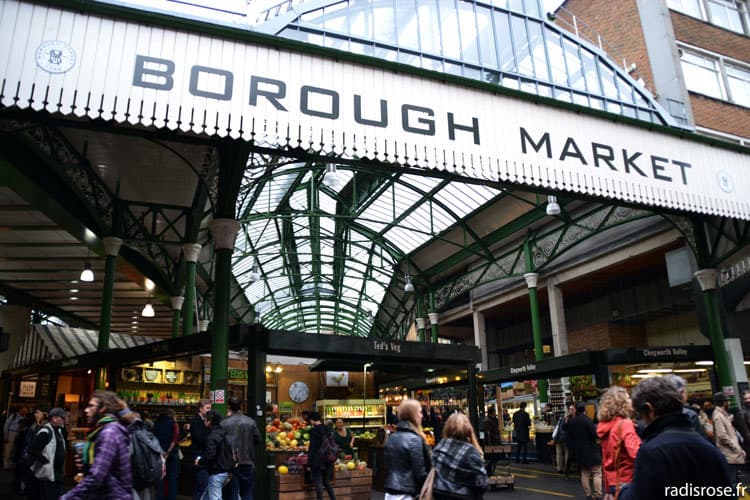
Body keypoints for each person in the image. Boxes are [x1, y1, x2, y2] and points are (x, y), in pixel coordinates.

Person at [619, 377, 732, 500]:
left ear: (650, 410)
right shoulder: (711, 451)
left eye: (641, 415)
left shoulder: (651, 451)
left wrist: (623, 491)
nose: (643, 422)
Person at [61, 390, 133, 500]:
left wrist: (67, 497)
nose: (86, 410)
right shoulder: (103, 430)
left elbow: (96, 476)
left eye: (91, 406)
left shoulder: (109, 432)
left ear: (103, 408)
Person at [596, 387, 641, 500]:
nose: (631, 400)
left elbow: (606, 460)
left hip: (613, 483)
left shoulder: (605, 426)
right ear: (622, 403)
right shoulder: (625, 424)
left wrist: (607, 490)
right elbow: (636, 454)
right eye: (628, 398)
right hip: (628, 480)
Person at [431, 412, 488, 499]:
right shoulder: (470, 451)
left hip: (441, 495)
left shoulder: (439, 447)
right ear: (468, 428)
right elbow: (481, 483)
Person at [384, 398, 432, 500]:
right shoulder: (414, 439)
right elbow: (420, 473)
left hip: (390, 491)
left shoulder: (391, 437)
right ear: (413, 414)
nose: (422, 415)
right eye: (419, 412)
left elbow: (387, 466)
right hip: (407, 494)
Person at [222, 396, 262, 500]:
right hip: (247, 460)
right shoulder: (250, 421)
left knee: (233, 492)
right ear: (241, 406)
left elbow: (221, 442)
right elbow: (258, 439)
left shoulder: (224, 423)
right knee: (247, 492)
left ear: (229, 407)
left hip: (231, 462)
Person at [26, 407, 66, 500]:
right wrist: (45, 461)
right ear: (54, 418)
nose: (64, 419)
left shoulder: (59, 430)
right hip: (47, 475)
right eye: (62, 417)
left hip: (56, 474)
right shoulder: (45, 431)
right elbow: (32, 449)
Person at [565, 403, 602, 500]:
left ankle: (588, 495)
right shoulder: (587, 420)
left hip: (580, 452)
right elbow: (595, 434)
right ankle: (598, 495)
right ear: (584, 409)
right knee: (597, 473)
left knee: (585, 474)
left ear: (576, 410)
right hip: (592, 450)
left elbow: (569, 437)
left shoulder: (572, 422)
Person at [196, 410, 233, 500]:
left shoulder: (211, 436)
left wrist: (199, 461)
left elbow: (210, 455)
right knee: (206, 497)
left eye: (205, 420)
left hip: (217, 472)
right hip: (226, 470)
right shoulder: (224, 433)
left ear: (209, 422)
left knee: (215, 497)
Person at [712, 391, 745, 488]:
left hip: (732, 453)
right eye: (727, 401)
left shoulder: (724, 414)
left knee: (735, 481)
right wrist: (736, 448)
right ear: (723, 402)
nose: (729, 403)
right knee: (732, 483)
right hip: (728, 454)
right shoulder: (718, 416)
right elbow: (722, 436)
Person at [186, 399, 212, 500]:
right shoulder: (196, 421)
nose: (209, 410)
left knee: (203, 486)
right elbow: (200, 438)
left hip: (202, 456)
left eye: (210, 408)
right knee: (201, 486)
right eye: (207, 408)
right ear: (200, 409)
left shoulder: (203, 420)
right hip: (199, 456)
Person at [153, 409, 181, 500]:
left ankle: (160, 497)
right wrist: (168, 451)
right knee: (172, 478)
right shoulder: (174, 424)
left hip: (159, 453)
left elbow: (153, 439)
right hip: (170, 454)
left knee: (160, 478)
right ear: (172, 415)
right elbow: (175, 438)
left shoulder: (156, 423)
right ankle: (171, 497)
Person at [307, 412, 336, 500]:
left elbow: (312, 447)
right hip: (328, 458)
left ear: (312, 420)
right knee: (326, 482)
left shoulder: (314, 431)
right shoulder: (328, 428)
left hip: (317, 460)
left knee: (318, 484)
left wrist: (309, 463)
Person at [3, 405, 29, 469]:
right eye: (23, 411)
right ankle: (5, 464)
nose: (24, 412)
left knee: (14, 449)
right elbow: (6, 425)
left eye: (26, 411)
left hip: (19, 433)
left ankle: (10, 462)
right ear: (20, 410)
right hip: (11, 432)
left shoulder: (25, 417)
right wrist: (5, 436)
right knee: (8, 449)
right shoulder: (13, 416)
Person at [552, 404, 574, 474]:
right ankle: (567, 468)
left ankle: (559, 468)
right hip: (566, 438)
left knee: (559, 453)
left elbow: (558, 427)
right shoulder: (571, 418)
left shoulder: (562, 417)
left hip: (559, 437)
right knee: (567, 452)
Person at [483, 407, 501, 474]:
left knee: (494, 458)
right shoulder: (487, 421)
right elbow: (488, 433)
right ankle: (489, 471)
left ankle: (491, 471)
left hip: (495, 441)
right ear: (492, 412)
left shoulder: (493, 420)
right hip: (492, 442)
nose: (495, 413)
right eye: (494, 412)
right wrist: (489, 444)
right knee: (492, 458)